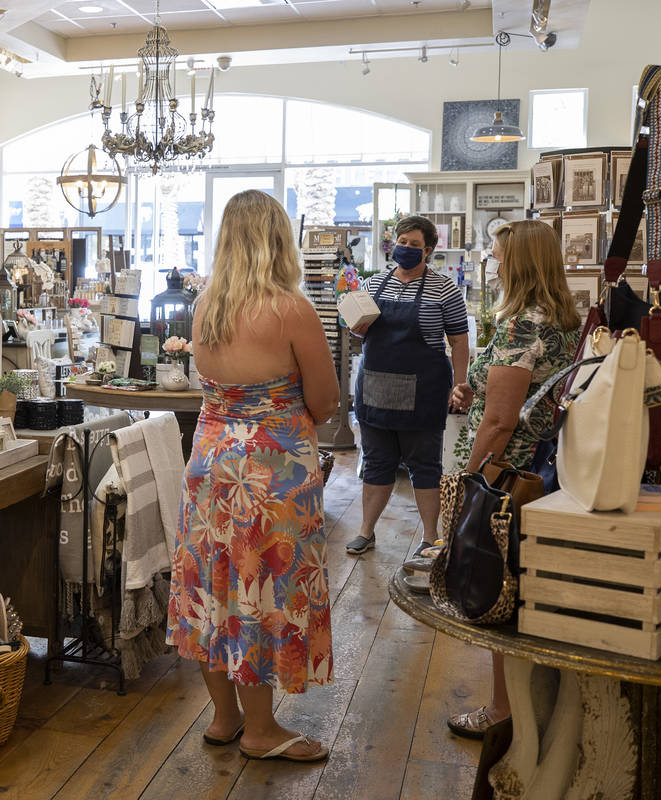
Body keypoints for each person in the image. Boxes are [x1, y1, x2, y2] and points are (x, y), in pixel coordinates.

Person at [167, 190, 339, 764]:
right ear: (278, 238)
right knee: (262, 589)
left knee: (214, 584)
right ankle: (263, 732)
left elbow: (210, 389)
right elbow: (327, 401)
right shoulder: (291, 308)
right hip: (273, 473)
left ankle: (225, 717)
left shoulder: (206, 305)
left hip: (212, 463)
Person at [446, 219, 580, 738]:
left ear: (519, 262)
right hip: (545, 467)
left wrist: (468, 484)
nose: (493, 263)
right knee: (527, 586)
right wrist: (474, 388)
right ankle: (531, 706)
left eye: (499, 255)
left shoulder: (524, 322)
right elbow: (518, 398)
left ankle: (504, 712)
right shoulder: (565, 320)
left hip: (506, 476)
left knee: (496, 582)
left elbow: (502, 421)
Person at [345, 215, 470, 557]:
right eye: (402, 242)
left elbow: (459, 341)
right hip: (376, 388)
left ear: (428, 250)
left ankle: (430, 538)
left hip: (425, 390)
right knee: (376, 462)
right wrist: (356, 325)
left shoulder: (444, 288)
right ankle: (366, 531)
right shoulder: (374, 285)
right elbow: (361, 334)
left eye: (415, 245)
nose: (407, 249)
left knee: (425, 464)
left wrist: (460, 384)